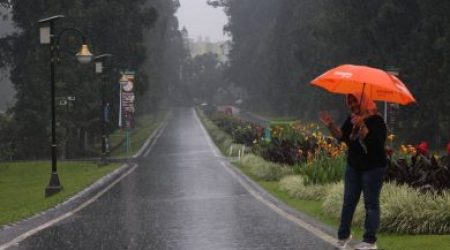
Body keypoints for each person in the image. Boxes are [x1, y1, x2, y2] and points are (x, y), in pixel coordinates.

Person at [319, 92, 387, 250]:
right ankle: (343, 235)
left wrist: (362, 125)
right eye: (349, 102)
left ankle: (370, 241)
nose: (352, 105)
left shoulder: (377, 121)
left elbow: (375, 145)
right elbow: (341, 136)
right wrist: (330, 125)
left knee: (371, 204)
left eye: (355, 101)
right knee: (348, 202)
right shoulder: (351, 119)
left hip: (373, 167)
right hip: (354, 166)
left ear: (364, 101)